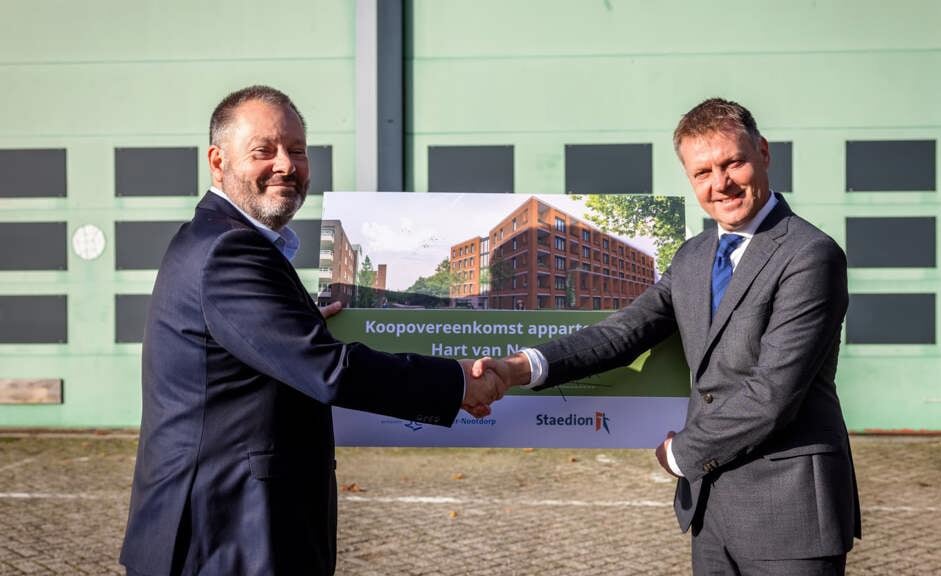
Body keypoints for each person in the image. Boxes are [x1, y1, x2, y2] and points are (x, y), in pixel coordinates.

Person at [120, 85, 502, 576]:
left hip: (229, 530)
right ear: (218, 162)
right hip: (225, 537)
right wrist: (459, 383)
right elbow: (329, 370)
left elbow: (255, 347)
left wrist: (295, 326)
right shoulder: (229, 250)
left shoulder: (223, 239)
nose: (286, 164)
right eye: (264, 151)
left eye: (297, 151)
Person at [476, 98, 860, 575]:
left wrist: (681, 454)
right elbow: (624, 332)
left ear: (762, 152)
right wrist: (518, 368)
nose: (720, 184)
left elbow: (772, 394)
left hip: (790, 513)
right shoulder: (693, 257)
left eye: (732, 163)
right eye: (703, 172)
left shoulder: (810, 255)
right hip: (711, 512)